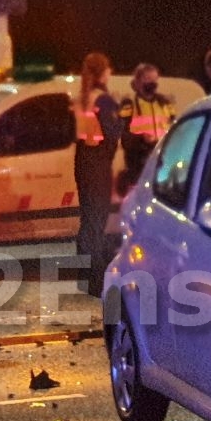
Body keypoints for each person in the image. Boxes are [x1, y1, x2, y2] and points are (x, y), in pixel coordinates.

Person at [73, 51, 123, 295]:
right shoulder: (103, 99)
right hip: (98, 165)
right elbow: (114, 132)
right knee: (97, 222)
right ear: (103, 72)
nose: (110, 72)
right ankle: (95, 281)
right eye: (109, 68)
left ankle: (83, 277)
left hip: (83, 162)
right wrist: (122, 115)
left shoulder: (83, 97)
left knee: (87, 221)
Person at [117, 63, 176, 195]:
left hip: (161, 164)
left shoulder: (164, 103)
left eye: (155, 79)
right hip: (138, 165)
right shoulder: (129, 104)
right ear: (138, 82)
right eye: (148, 79)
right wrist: (141, 139)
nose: (153, 83)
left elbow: (174, 130)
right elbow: (124, 138)